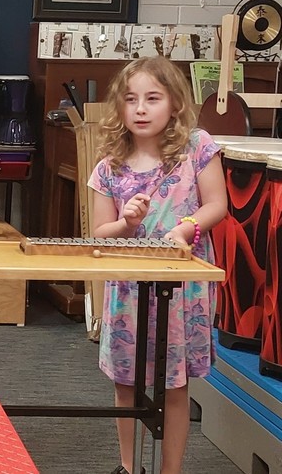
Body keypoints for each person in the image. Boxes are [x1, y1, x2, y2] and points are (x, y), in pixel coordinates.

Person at [88, 56, 227, 474]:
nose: (141, 109)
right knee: (126, 381)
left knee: (175, 382)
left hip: (182, 288)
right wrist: (126, 222)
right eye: (131, 100)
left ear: (174, 105)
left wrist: (186, 229)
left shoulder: (197, 147)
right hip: (129, 287)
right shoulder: (108, 167)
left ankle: (171, 469)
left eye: (152, 98)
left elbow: (217, 204)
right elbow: (99, 233)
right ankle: (129, 466)